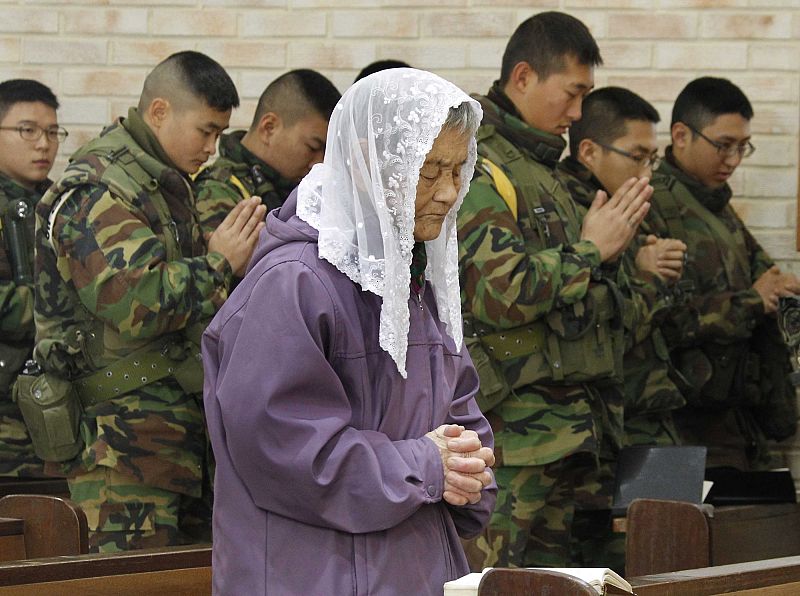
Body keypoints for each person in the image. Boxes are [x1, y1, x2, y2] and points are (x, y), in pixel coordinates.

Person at [203, 68, 496, 595]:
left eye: (457, 171)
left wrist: (470, 470)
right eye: (429, 172)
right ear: (366, 163)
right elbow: (283, 447)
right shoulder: (294, 282)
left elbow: (461, 415)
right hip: (312, 576)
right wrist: (426, 466)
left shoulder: (414, 282)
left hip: (411, 571)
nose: (449, 193)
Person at [29, 51, 267, 552]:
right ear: (160, 111)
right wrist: (220, 263)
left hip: (173, 440)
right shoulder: (97, 188)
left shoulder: (161, 181)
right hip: (119, 449)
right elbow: (136, 303)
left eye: (221, 134)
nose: (212, 147)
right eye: (205, 131)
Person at [457, 12, 652, 569]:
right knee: (502, 581)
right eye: (572, 93)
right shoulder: (482, 163)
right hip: (516, 436)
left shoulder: (540, 166)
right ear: (523, 77)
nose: (578, 113)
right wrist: (592, 250)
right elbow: (498, 291)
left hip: (571, 429)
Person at [555, 87, 689, 569]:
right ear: (589, 151)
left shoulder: (631, 209)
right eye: (636, 156)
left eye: (652, 158)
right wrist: (646, 277)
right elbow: (593, 326)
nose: (646, 172)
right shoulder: (572, 217)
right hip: (604, 432)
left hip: (651, 418)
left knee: (670, 557)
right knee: (613, 566)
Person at [648, 77, 800, 470]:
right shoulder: (653, 204)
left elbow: (766, 273)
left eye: (742, 147)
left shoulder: (716, 206)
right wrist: (752, 300)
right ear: (681, 135)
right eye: (724, 145)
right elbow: (661, 319)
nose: (733, 160)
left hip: (734, 415)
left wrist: (775, 287)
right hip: (683, 424)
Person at [0, 79, 66, 477]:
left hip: (49, 406)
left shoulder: (61, 203)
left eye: (53, 132)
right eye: (27, 130)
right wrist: (61, 309)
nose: (43, 144)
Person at [194, 69, 340, 235]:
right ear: (269, 128)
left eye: (327, 151)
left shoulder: (300, 190)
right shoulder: (218, 192)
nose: (319, 162)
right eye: (313, 147)